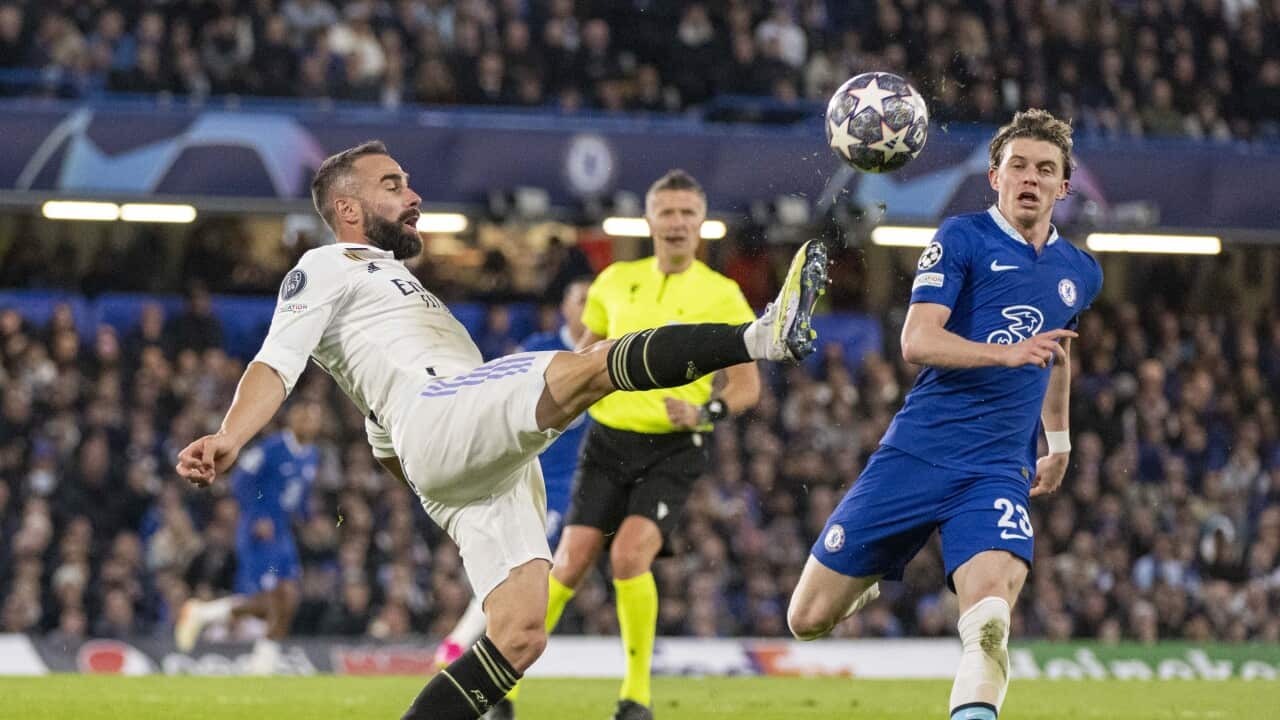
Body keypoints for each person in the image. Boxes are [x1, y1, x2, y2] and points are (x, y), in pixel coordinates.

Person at [174, 140, 827, 720]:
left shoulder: (396, 292)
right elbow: (274, 361)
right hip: (440, 417)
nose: (414, 195)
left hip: (468, 461)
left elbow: (387, 441)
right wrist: (232, 435)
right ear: (348, 210)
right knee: (588, 366)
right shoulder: (324, 266)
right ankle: (763, 335)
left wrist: (434, 472)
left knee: (520, 634)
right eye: (393, 185)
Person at [786, 109, 1103, 720]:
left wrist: (1058, 443)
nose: (1030, 179)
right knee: (807, 619)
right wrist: (1005, 354)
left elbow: (1057, 356)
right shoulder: (960, 238)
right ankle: (874, 572)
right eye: (1018, 167)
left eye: (1045, 169)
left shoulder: (1080, 273)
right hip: (917, 453)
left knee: (987, 620)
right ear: (994, 176)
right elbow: (917, 341)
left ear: (1064, 186)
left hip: (995, 470)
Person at [530, 170, 761, 720]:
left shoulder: (722, 294)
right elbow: (582, 362)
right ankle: (504, 685)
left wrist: (706, 410)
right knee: (567, 565)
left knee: (630, 555)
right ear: (650, 220)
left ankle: (636, 698)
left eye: (687, 213)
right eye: (668, 212)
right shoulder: (613, 281)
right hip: (608, 441)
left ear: (701, 223)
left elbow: (747, 387)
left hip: (675, 447)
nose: (677, 223)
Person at [432, 277, 594, 718]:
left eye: (596, 300)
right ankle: (462, 650)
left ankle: (469, 656)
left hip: (561, 491)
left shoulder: (603, 359)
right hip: (516, 476)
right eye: (581, 298)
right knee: (517, 573)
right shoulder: (542, 349)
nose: (590, 307)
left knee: (523, 576)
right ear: (564, 307)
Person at [174, 399, 322, 674]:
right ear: (292, 420)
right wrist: (258, 513)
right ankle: (256, 658)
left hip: (283, 534)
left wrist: (309, 520)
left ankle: (252, 654)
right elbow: (242, 480)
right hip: (259, 534)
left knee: (287, 599)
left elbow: (300, 496)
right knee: (273, 600)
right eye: (304, 417)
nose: (310, 424)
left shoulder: (312, 455)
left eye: (314, 419)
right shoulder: (273, 448)